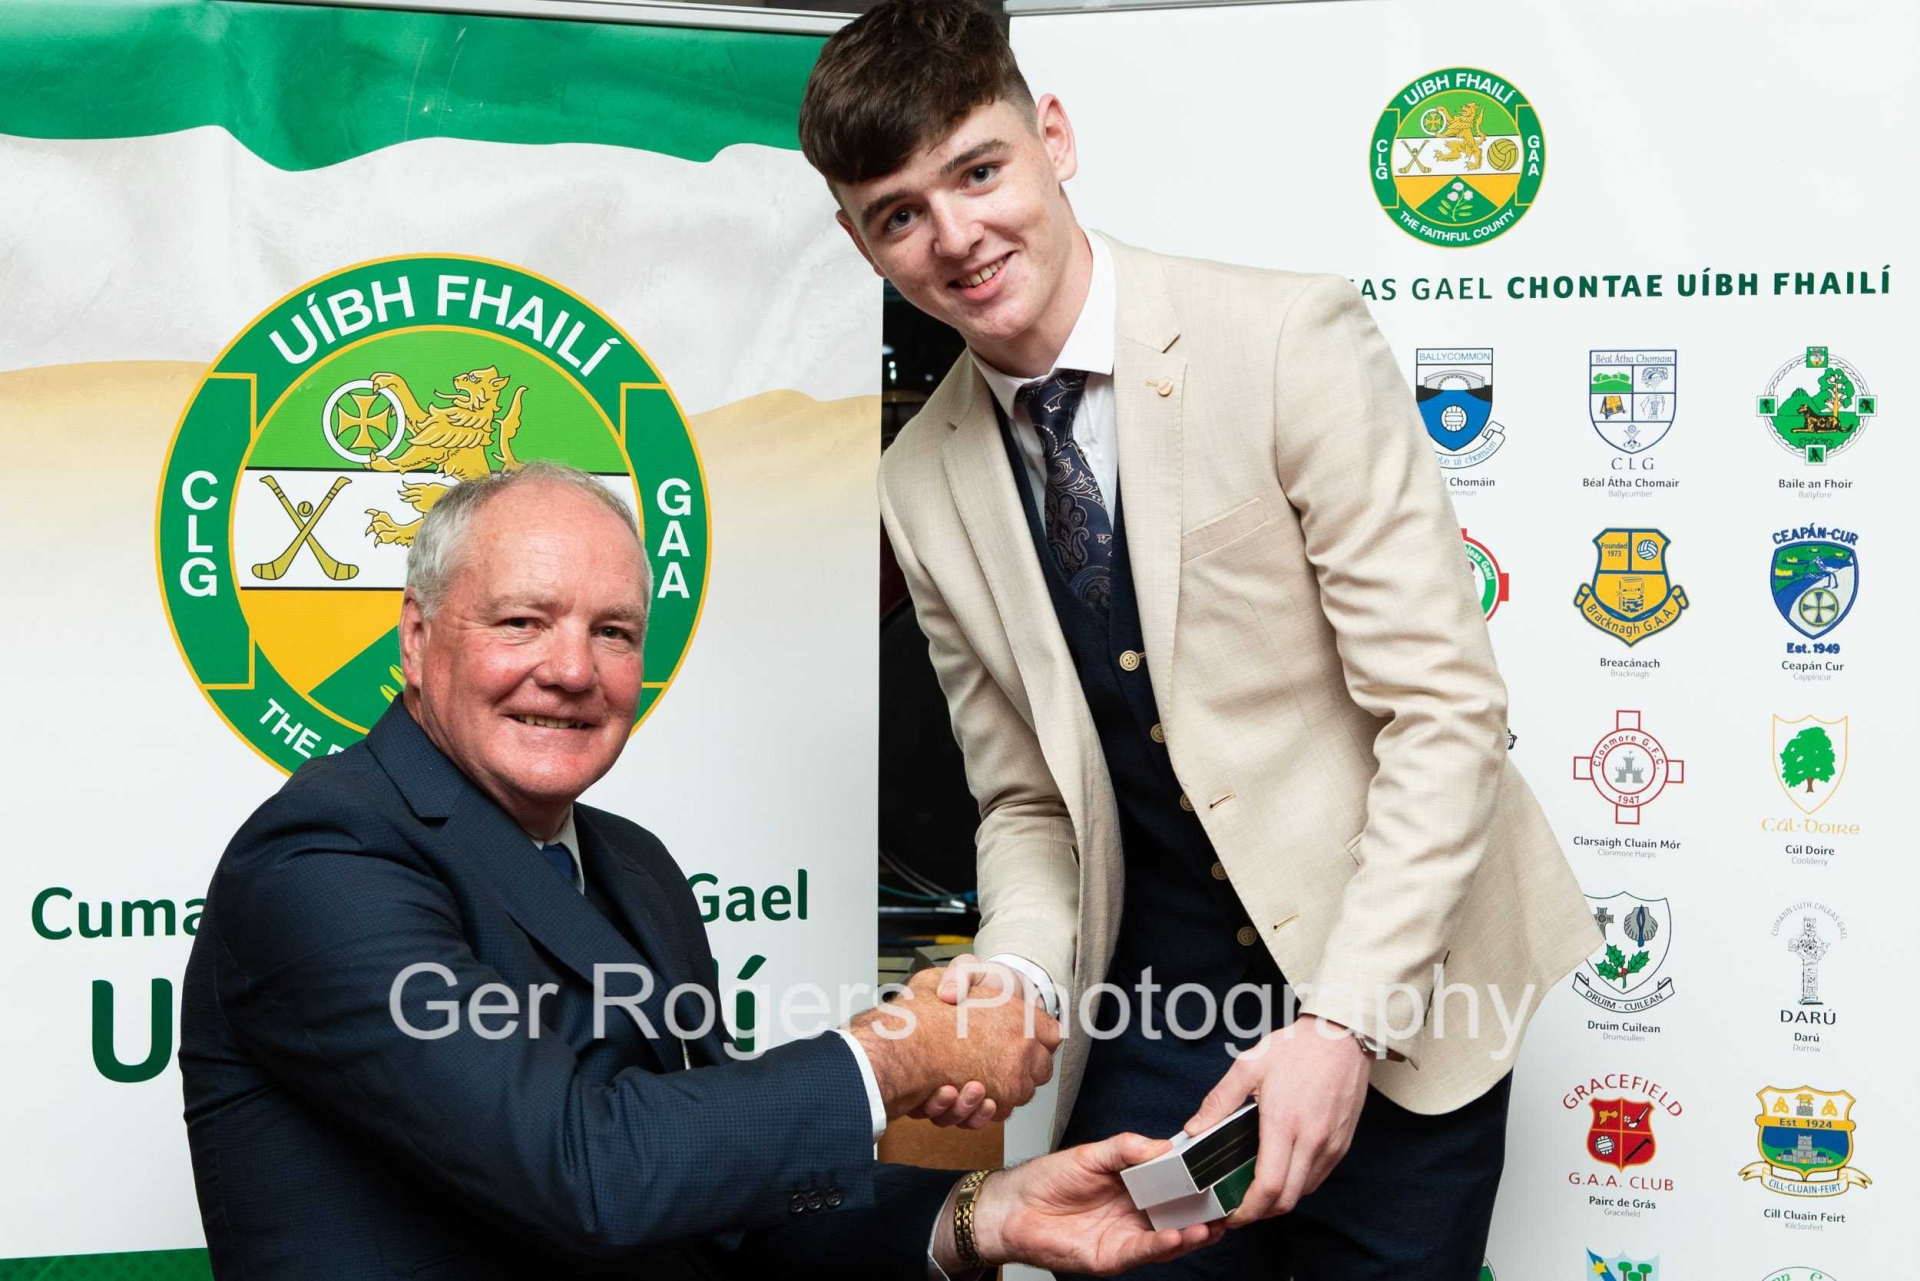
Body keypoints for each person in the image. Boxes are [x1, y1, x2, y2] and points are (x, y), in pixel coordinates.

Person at [797, 3, 1599, 1276]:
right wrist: (1016, 979)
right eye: (899, 214)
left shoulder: (1287, 340)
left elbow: (1444, 713)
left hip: (1402, 992)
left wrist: (1343, 1024)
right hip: (1156, 1018)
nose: (955, 236)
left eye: (979, 170)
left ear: (1053, 137)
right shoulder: (918, 480)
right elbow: (1027, 800)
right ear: (859, 242)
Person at [178, 462, 1223, 1279]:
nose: (572, 669)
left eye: (613, 632)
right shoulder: (320, 860)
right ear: (416, 639)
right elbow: (590, 1172)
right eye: (522, 621)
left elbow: (718, 1207)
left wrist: (988, 1214)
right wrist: (900, 1053)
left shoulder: (634, 870)